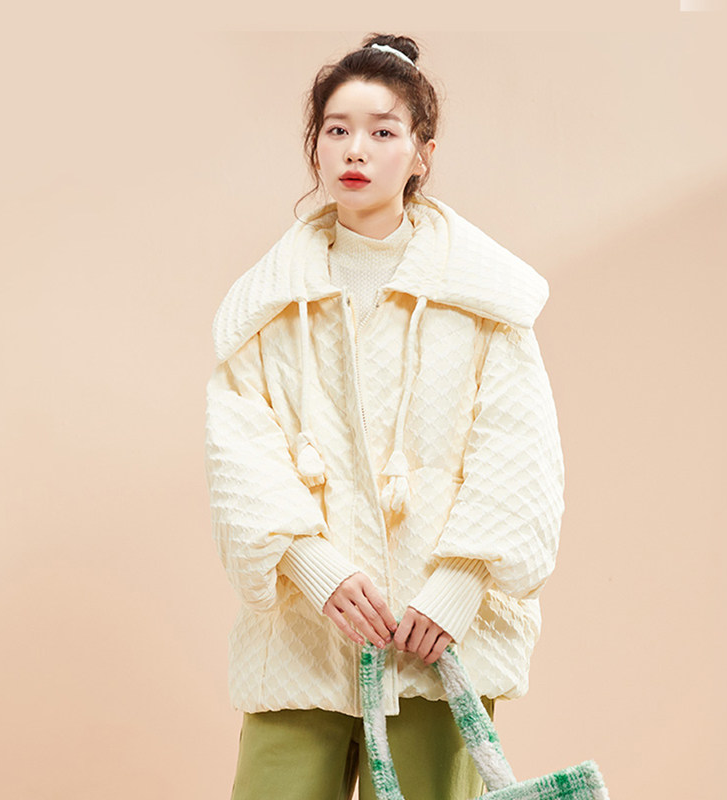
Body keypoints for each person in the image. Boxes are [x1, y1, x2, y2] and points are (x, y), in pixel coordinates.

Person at [204, 33, 565, 800]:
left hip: (434, 636)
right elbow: (241, 450)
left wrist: (459, 585)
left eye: (382, 130)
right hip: (303, 633)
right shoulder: (265, 307)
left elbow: (519, 450)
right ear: (315, 146)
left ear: (422, 153)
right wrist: (312, 564)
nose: (355, 149)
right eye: (336, 129)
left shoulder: (486, 300)